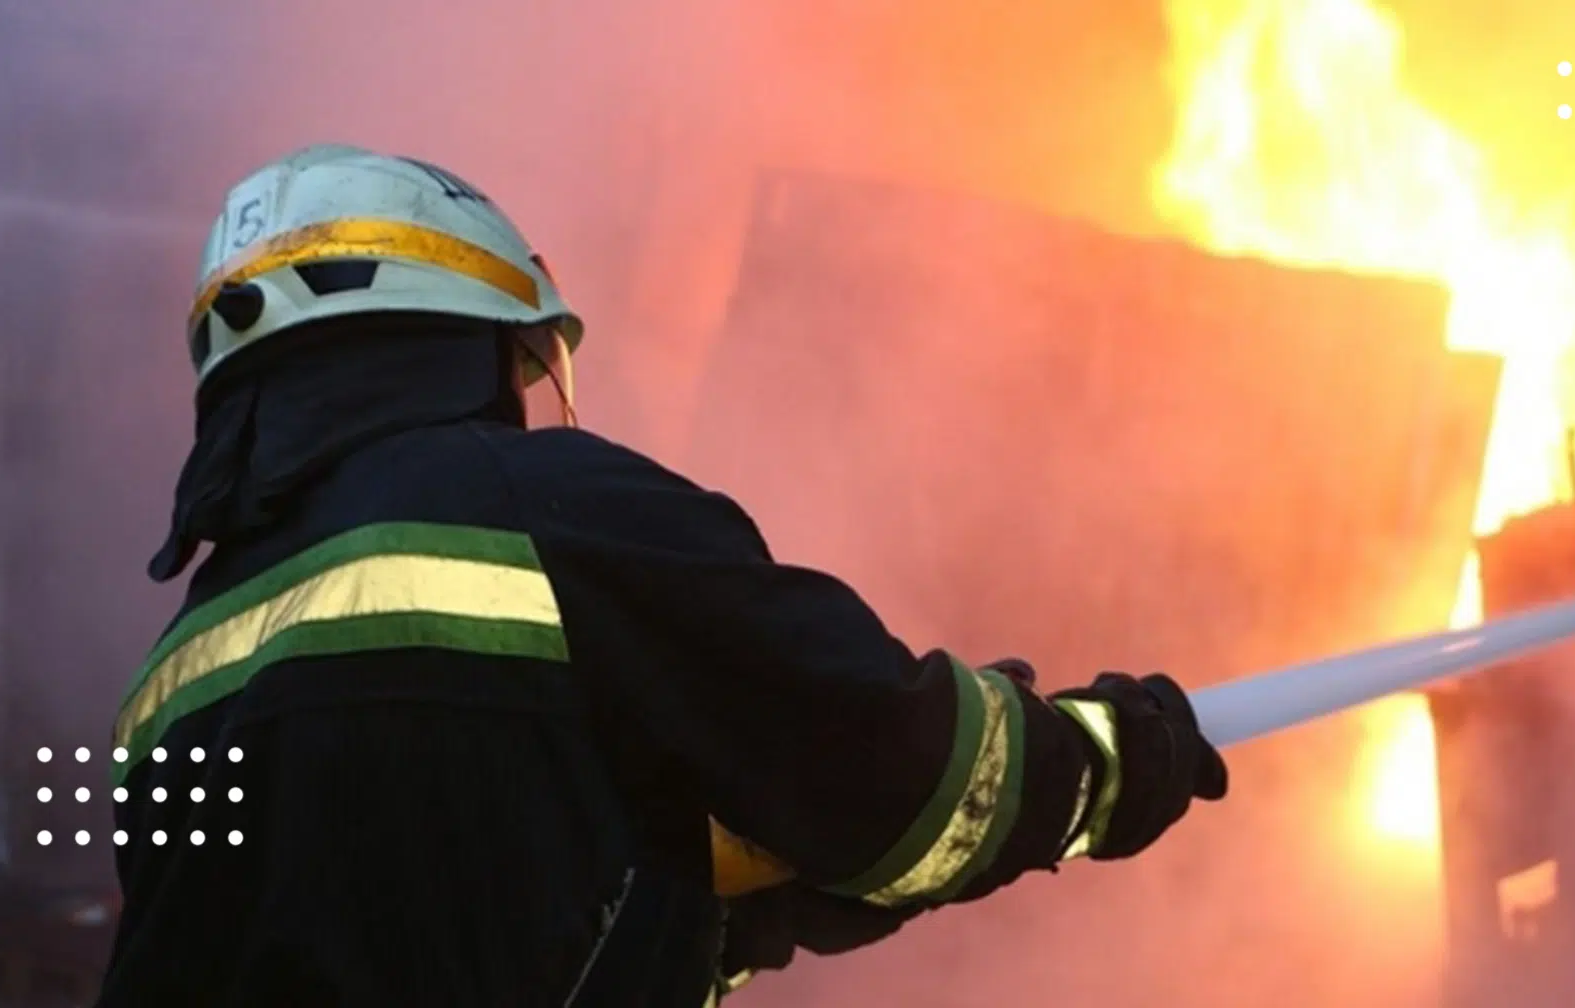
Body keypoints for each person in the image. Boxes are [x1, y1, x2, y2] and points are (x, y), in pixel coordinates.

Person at [94, 143, 1228, 1007]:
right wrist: (1109, 763)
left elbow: (398, 906)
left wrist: (698, 907)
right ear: (462, 336)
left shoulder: (169, 676)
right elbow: (898, 772)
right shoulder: (548, 511)